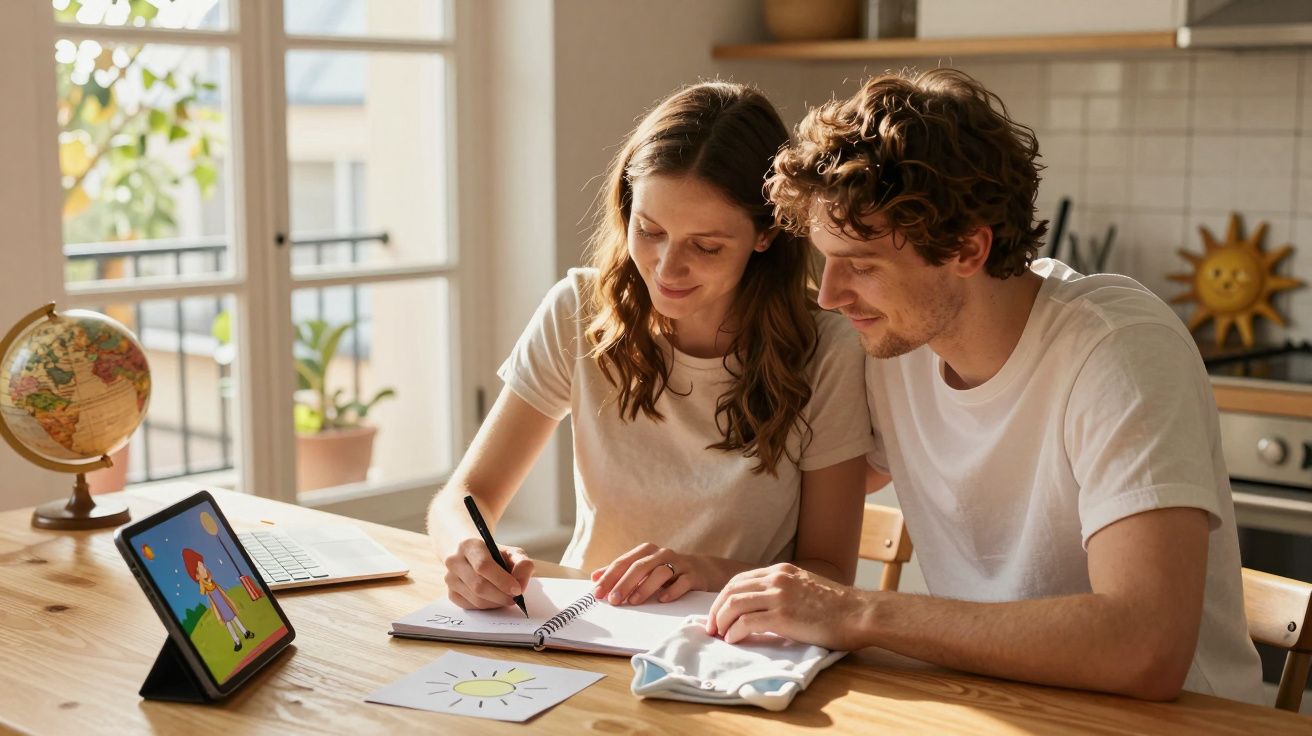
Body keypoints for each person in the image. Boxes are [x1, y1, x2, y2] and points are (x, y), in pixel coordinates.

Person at [705, 68, 1266, 705]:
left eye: (861, 265)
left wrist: (859, 613)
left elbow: (1144, 648)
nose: (830, 296)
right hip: (1001, 706)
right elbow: (780, 488)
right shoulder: (893, 347)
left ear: (969, 249)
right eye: (826, 261)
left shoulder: (1117, 351)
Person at [427, 82, 874, 612]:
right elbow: (465, 494)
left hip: (737, 645)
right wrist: (468, 549)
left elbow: (830, 573)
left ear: (767, 234)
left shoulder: (827, 347)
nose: (666, 268)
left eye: (705, 246)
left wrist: (701, 572)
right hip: (583, 624)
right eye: (649, 230)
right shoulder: (579, 309)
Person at [182, 547, 254, 651]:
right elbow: (202, 591)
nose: (204, 569)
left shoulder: (212, 581)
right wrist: (203, 582)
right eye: (200, 568)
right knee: (228, 622)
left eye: (203, 566)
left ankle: (245, 632)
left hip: (224, 601)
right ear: (197, 575)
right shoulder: (204, 584)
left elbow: (219, 590)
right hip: (219, 605)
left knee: (233, 616)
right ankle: (236, 641)